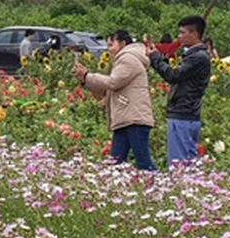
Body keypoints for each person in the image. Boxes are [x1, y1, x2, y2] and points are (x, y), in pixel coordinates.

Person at [72, 30, 157, 171]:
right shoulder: (126, 59)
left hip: (134, 117)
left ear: (123, 43)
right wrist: (84, 79)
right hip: (125, 117)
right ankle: (114, 189)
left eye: (111, 45)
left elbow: (113, 83)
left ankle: (160, 187)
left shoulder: (128, 59)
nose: (108, 49)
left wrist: (88, 75)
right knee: (115, 162)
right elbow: (109, 90)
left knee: (143, 162)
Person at [147, 15, 211, 167]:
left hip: (184, 113)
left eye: (182, 33)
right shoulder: (194, 55)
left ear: (194, 34)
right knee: (186, 161)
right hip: (186, 114)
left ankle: (183, 188)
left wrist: (155, 59)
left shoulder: (198, 57)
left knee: (180, 165)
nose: (179, 37)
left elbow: (173, 75)